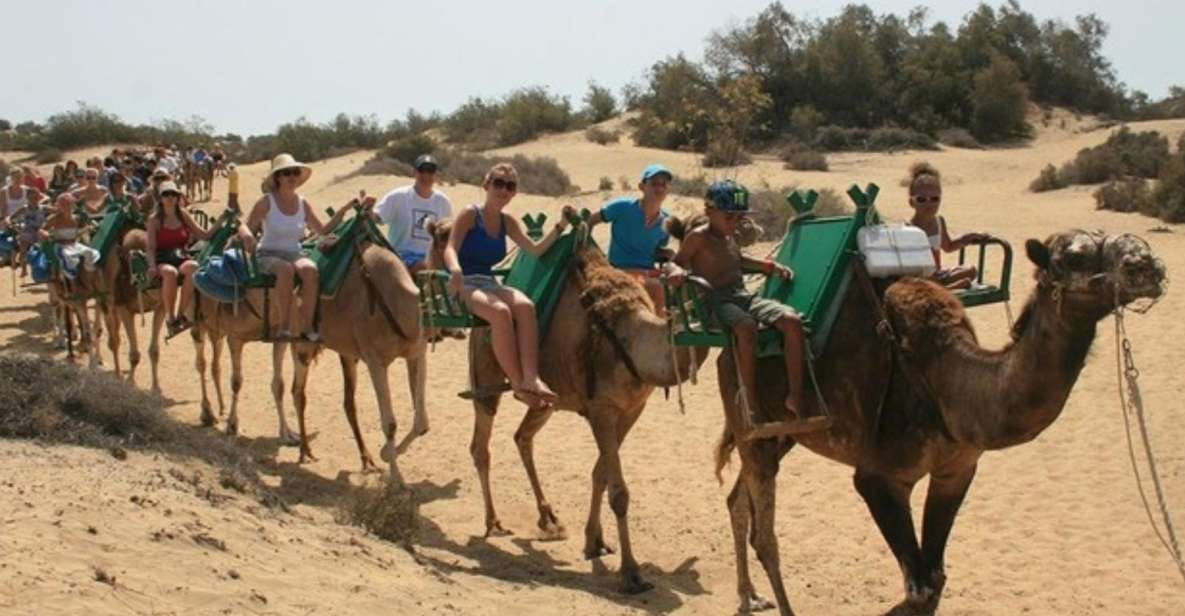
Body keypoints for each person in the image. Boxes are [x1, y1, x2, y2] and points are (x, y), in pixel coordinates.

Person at [668, 179, 825, 440]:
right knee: (746, 327)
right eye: (729, 216)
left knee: (791, 321)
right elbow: (676, 263)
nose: (735, 222)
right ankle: (749, 402)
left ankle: (795, 396)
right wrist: (675, 272)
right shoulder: (698, 238)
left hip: (741, 296)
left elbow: (738, 261)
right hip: (713, 300)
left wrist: (768, 266)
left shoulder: (730, 237)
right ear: (710, 212)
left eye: (739, 217)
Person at [442, 163, 574, 407]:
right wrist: (455, 269)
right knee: (500, 312)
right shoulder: (470, 214)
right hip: (464, 284)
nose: (504, 190)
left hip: (488, 282)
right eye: (499, 183)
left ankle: (532, 378)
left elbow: (534, 250)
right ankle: (518, 383)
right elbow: (451, 247)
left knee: (525, 307)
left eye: (510, 186)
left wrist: (561, 226)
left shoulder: (507, 222)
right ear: (486, 185)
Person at [238, 153, 365, 342]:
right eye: (286, 173)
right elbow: (245, 225)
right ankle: (284, 327)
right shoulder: (267, 201)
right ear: (277, 177)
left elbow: (322, 230)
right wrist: (247, 236)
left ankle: (307, 328)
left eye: (295, 172)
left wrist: (344, 210)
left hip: (294, 252)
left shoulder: (303, 203)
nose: (291, 177)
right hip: (268, 253)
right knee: (286, 270)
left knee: (310, 270)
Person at [587, 163, 674, 315]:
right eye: (654, 183)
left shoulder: (667, 221)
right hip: (619, 270)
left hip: (647, 271)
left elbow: (656, 250)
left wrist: (667, 253)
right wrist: (587, 244)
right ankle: (660, 330)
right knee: (657, 287)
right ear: (642, 187)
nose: (659, 188)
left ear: (668, 189)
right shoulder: (623, 207)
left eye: (663, 184)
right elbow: (592, 220)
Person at [906, 161, 987, 289]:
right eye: (921, 199)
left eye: (935, 199)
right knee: (925, 279)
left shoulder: (939, 222)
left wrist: (966, 239)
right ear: (911, 202)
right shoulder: (909, 228)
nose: (929, 204)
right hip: (920, 277)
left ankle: (945, 286)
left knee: (971, 270)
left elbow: (948, 246)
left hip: (937, 274)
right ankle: (949, 288)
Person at [146, 181, 211, 336]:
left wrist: (222, 222)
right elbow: (151, 247)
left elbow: (204, 234)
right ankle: (170, 317)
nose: (170, 198)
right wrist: (152, 265)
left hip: (181, 255)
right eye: (166, 194)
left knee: (193, 267)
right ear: (160, 198)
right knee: (170, 273)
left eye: (174, 194)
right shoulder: (154, 220)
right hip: (162, 257)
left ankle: (181, 314)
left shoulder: (183, 215)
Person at [375, 154, 452, 273]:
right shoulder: (398, 196)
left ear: (436, 175)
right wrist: (367, 210)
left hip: (433, 257)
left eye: (430, 171)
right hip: (401, 256)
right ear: (414, 172)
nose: (426, 175)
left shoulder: (443, 201)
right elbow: (377, 218)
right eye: (422, 170)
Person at [39, 193, 100, 273]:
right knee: (69, 257)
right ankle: (71, 279)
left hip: (74, 244)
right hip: (61, 246)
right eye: (64, 205)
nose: (67, 207)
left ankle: (89, 273)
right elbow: (42, 229)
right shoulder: (54, 218)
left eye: (69, 204)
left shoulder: (76, 218)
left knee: (90, 253)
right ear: (59, 206)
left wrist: (88, 228)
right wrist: (45, 233)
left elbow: (78, 232)